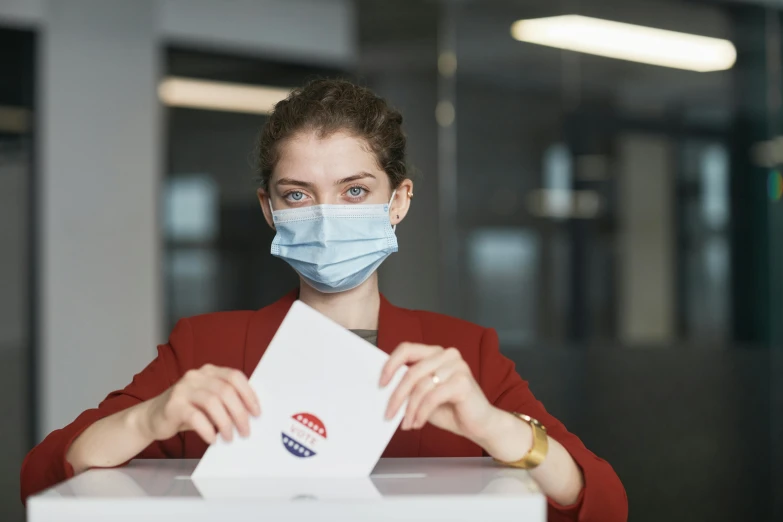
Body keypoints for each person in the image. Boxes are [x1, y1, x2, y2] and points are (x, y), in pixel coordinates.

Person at [20, 79, 627, 521]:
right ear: (269, 209)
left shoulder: (462, 353)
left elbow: (600, 503)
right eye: (298, 194)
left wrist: (495, 427)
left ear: (399, 201)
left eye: (355, 190)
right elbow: (42, 477)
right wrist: (150, 417)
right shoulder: (207, 348)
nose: (328, 216)